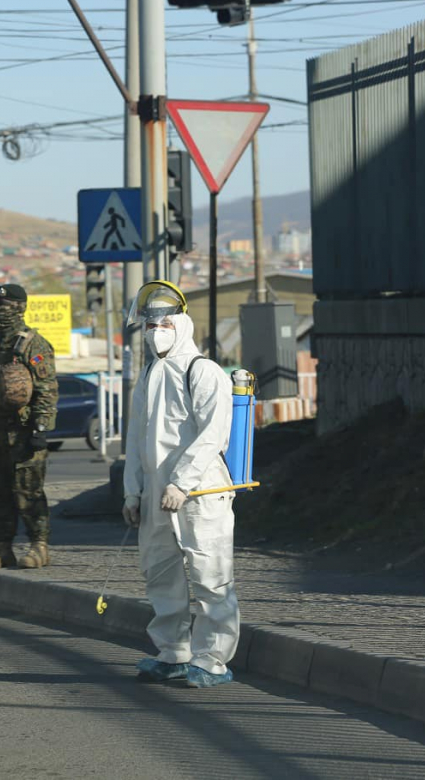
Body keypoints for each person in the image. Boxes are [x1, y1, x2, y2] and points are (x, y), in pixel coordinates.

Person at [122, 280, 239, 688]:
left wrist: (182, 482)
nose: (156, 331)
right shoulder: (150, 374)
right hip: (156, 492)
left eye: (165, 323)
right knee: (161, 573)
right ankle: (173, 653)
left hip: (201, 491)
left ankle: (212, 660)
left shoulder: (202, 371)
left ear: (182, 324)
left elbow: (213, 434)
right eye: (150, 325)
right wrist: (132, 491)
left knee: (210, 574)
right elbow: (137, 438)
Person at [0, 284, 58, 570]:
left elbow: (47, 389)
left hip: (24, 431)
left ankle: (39, 546)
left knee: (28, 491)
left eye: (7, 306)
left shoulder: (33, 344)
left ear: (21, 308)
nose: (0, 312)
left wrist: (41, 429)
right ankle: (2, 547)